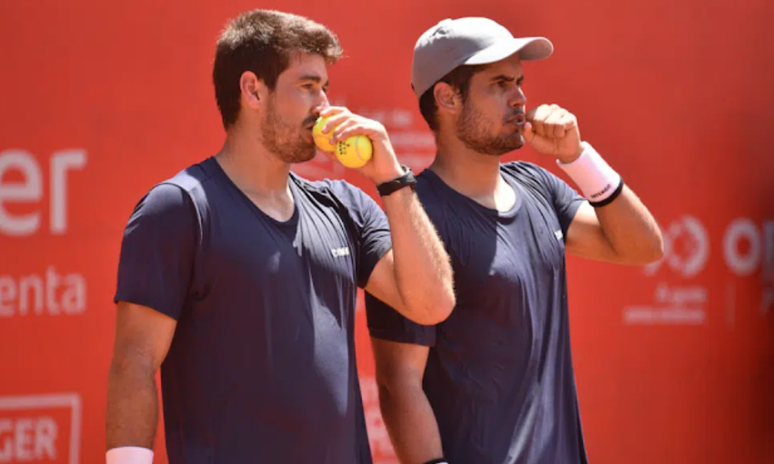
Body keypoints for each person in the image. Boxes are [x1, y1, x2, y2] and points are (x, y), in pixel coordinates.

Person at [104, 9, 455, 464]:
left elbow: (431, 303)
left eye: (324, 87)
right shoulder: (180, 209)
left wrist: (392, 180)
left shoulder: (345, 206)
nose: (324, 105)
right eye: (308, 87)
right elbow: (134, 362)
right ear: (253, 90)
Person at [365, 16, 664, 464]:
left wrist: (578, 158)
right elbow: (398, 384)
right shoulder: (411, 217)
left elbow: (643, 246)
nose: (520, 98)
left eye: (520, 82)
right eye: (500, 84)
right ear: (447, 97)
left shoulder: (538, 186)